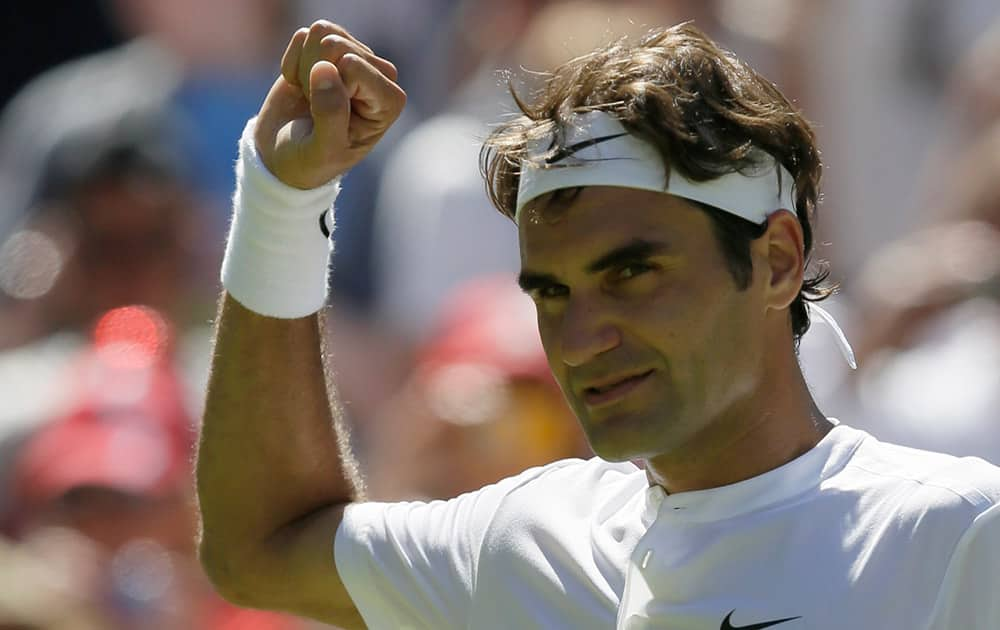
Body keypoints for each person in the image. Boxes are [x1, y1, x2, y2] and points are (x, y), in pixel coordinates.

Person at [196, 19, 1000, 629]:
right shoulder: (525, 539)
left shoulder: (963, 533)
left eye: (632, 275)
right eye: (551, 294)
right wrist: (283, 199)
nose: (580, 340)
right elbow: (259, 547)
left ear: (778, 262)